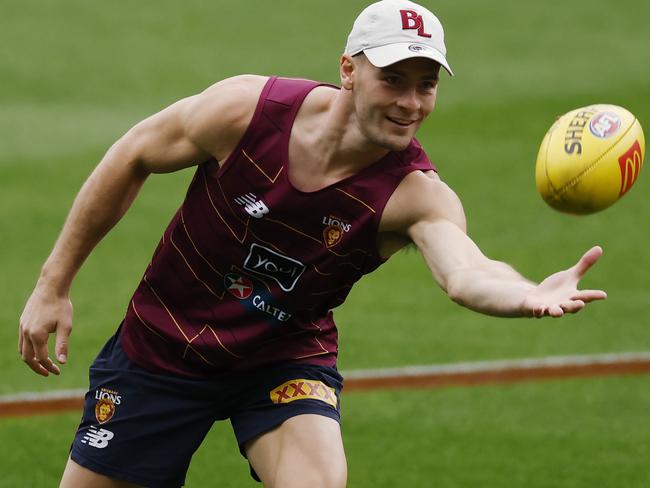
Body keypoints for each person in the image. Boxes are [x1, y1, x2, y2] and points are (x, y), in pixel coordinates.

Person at [18, 0, 607, 487]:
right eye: (393, 80)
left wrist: (527, 293)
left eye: (426, 85)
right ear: (349, 69)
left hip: (280, 359)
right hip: (164, 345)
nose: (410, 103)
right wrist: (53, 286)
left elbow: (465, 271)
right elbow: (133, 154)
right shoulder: (247, 111)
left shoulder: (414, 195)